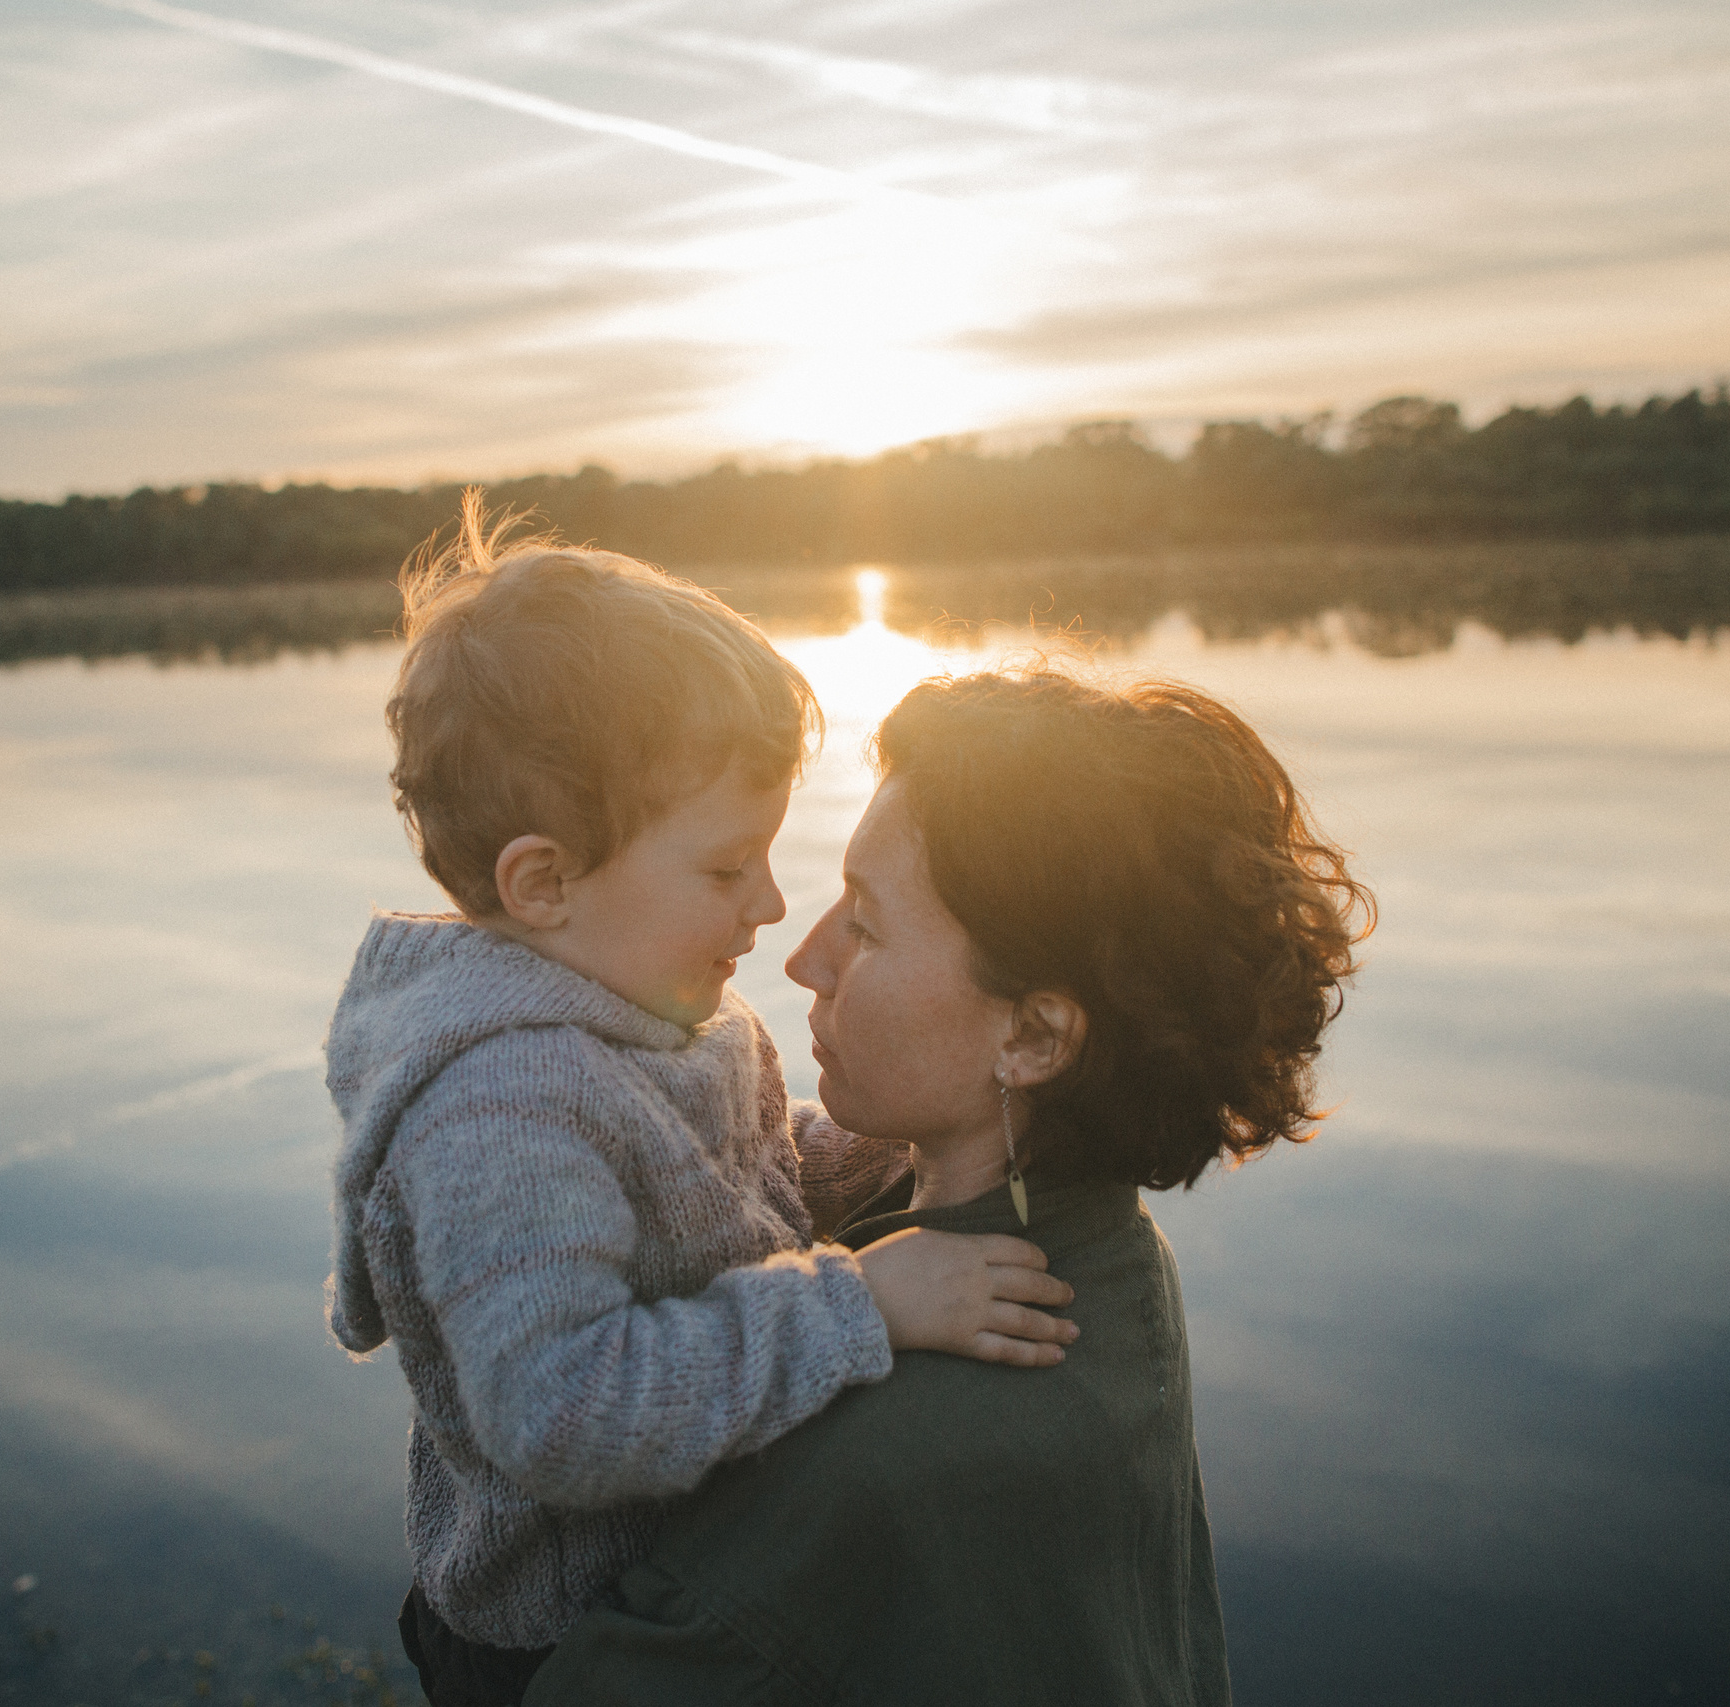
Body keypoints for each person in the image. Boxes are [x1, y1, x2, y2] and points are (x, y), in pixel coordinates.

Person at [326, 502, 1081, 1707]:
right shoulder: (497, 1108)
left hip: (694, 1578)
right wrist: (862, 1306)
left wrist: (902, 1155)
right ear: (544, 881)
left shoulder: (641, 995)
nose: (773, 906)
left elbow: (740, 1181)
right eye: (728, 867)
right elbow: (563, 1414)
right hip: (559, 1647)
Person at [527, 667, 1374, 1706]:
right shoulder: (1103, 1249)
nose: (804, 959)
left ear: (1032, 1035)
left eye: (868, 927)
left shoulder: (879, 1458)